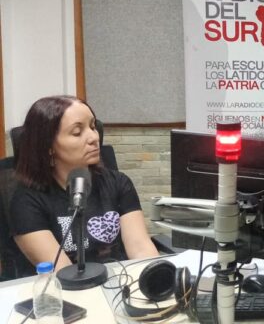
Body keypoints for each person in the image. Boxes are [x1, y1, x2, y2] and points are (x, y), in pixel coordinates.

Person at [10, 95, 158, 272]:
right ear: (48, 146)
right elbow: (61, 271)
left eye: (93, 127)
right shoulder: (26, 202)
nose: (94, 137)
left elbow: (140, 248)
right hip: (67, 286)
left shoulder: (118, 183)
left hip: (120, 281)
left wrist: (156, 278)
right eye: (77, 132)